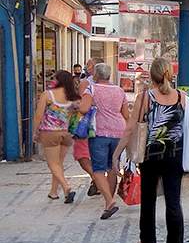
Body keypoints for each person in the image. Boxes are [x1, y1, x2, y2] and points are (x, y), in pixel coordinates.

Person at [113, 58, 185, 243]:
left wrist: (117, 154)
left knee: (148, 198)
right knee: (173, 201)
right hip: (174, 155)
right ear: (169, 74)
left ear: (150, 75)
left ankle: (147, 242)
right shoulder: (181, 97)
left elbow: (130, 128)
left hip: (150, 156)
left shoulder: (144, 98)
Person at [78, 63, 129, 220]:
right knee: (113, 167)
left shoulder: (91, 89)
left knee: (98, 169)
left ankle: (109, 200)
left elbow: (84, 109)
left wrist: (80, 106)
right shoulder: (120, 91)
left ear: (96, 76)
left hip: (99, 132)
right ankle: (109, 201)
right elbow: (125, 113)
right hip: (118, 132)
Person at [32, 70, 79, 203]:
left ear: (57, 80)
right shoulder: (73, 97)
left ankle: (66, 187)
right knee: (59, 163)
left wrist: (34, 132)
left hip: (50, 132)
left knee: (52, 163)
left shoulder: (48, 94)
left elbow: (38, 115)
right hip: (66, 134)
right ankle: (53, 192)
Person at [77, 57, 103, 197]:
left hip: (87, 124)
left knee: (81, 154)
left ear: (96, 68)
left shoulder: (85, 83)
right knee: (99, 155)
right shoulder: (111, 84)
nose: (86, 66)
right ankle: (98, 182)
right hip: (104, 124)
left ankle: (97, 180)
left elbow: (83, 105)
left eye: (89, 64)